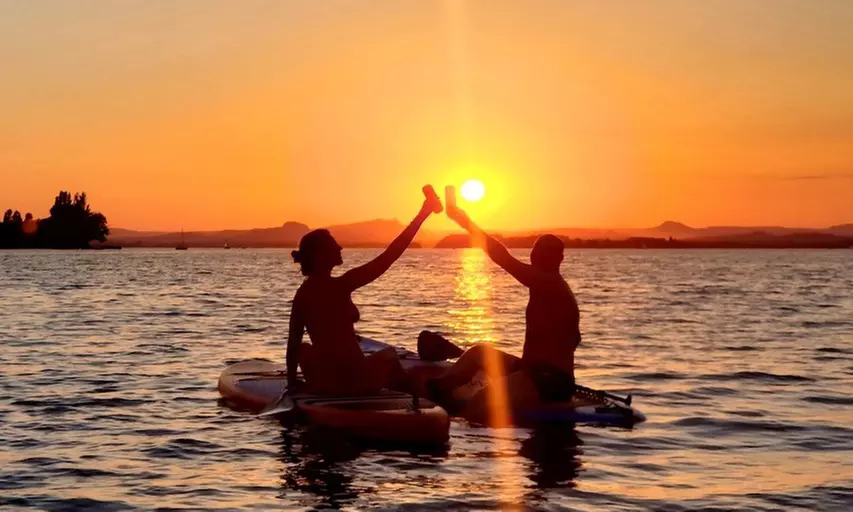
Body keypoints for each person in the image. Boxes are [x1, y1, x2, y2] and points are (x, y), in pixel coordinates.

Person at [427, 188, 581, 415]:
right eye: (536, 251)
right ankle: (439, 392)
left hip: (550, 380)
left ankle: (461, 431)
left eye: (546, 253)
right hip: (530, 369)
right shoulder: (541, 284)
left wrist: (466, 222)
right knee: (479, 354)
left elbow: (502, 258)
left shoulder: (550, 284)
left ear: (559, 259)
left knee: (481, 403)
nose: (537, 256)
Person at [285, 189, 442, 398]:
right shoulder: (342, 285)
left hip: (330, 382)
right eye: (334, 245)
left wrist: (291, 383)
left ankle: (321, 386)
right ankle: (422, 401)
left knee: (304, 347)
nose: (340, 247)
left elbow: (293, 344)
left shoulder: (301, 296)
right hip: (356, 380)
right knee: (389, 356)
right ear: (320, 255)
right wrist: (423, 213)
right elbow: (390, 255)